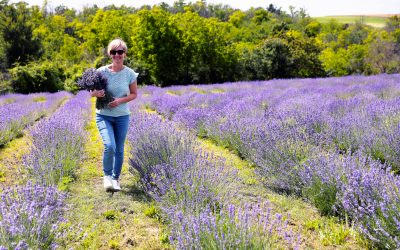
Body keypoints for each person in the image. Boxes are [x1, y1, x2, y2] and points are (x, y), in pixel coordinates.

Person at [91, 38, 138, 192]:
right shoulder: (101, 72)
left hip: (122, 116)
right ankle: (107, 177)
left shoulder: (130, 73)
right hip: (104, 115)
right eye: (113, 52)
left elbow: (133, 94)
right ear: (109, 54)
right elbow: (92, 92)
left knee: (119, 149)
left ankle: (116, 179)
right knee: (109, 146)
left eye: (120, 52)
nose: (117, 55)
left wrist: (120, 101)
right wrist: (96, 93)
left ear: (124, 54)